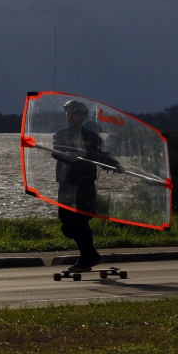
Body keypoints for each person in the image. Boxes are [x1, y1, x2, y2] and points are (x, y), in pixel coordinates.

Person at [53, 100, 125, 272]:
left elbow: (99, 155)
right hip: (66, 185)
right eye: (68, 114)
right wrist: (67, 155)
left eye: (75, 114)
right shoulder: (61, 134)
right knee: (67, 227)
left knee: (79, 223)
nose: (71, 117)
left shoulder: (91, 136)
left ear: (82, 116)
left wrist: (114, 164)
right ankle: (90, 255)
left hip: (84, 184)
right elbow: (56, 152)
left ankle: (87, 258)